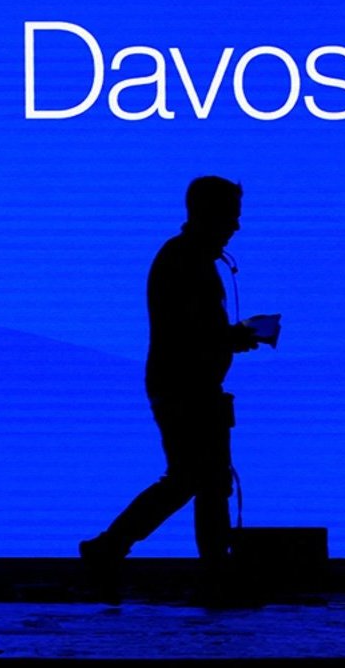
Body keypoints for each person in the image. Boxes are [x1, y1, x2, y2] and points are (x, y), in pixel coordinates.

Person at [81, 176, 270, 586]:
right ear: (209, 214)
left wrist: (229, 338)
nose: (236, 226)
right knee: (196, 479)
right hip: (186, 388)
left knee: (202, 479)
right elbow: (192, 331)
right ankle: (115, 548)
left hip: (187, 385)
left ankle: (116, 549)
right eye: (230, 216)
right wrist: (234, 337)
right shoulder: (186, 261)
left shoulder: (186, 257)